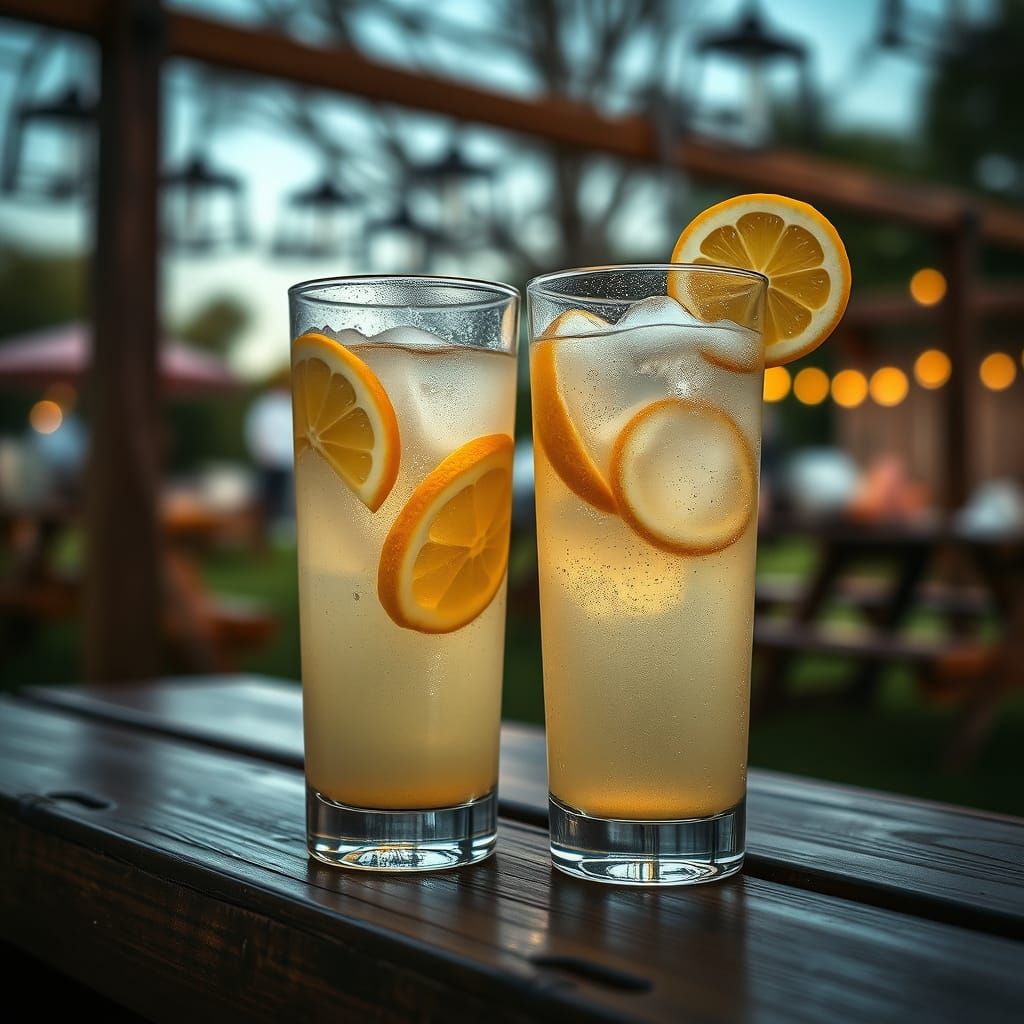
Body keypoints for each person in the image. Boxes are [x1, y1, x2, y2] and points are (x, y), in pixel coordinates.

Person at [244, 383, 294, 533]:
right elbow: (255, 430)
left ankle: (280, 527)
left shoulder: (288, 404)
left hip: (286, 460)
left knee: (284, 494)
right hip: (269, 459)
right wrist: (259, 452)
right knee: (266, 494)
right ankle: (264, 526)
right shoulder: (264, 405)